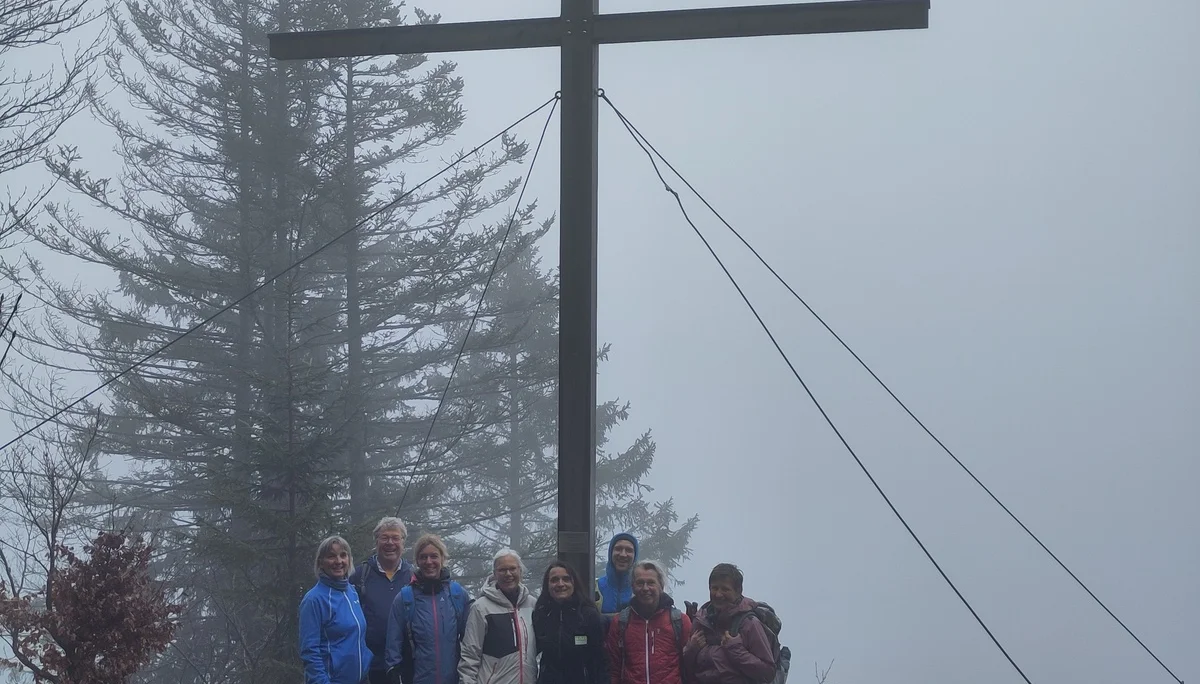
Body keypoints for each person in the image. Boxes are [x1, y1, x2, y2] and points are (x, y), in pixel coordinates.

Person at [384, 533, 471, 684]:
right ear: (417, 560)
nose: (428, 561)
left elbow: (471, 643)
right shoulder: (405, 598)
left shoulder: (457, 595)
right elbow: (393, 645)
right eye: (423, 557)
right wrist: (394, 674)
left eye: (434, 556)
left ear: (442, 559)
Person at [682, 563, 777, 684]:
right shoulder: (700, 621)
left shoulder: (749, 624)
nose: (718, 594)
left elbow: (767, 673)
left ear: (738, 591)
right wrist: (691, 650)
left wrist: (736, 649)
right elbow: (686, 671)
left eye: (725, 589)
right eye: (714, 588)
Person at [299, 535, 373, 684]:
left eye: (343, 555)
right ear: (321, 562)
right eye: (331, 556)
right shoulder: (314, 599)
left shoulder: (351, 591)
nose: (338, 561)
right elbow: (309, 652)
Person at [604, 559, 691, 684]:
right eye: (640, 583)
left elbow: (690, 666)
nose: (645, 588)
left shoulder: (679, 621)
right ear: (632, 587)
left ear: (661, 586)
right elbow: (614, 669)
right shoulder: (620, 622)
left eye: (651, 582)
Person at [351, 517, 416, 684]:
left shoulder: (414, 577)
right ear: (376, 541)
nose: (390, 543)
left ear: (403, 542)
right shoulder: (359, 576)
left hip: (405, 667)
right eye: (384, 537)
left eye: (395, 538)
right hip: (368, 668)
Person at [458, 548, 537, 684]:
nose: (508, 574)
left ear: (520, 571)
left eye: (512, 568)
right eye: (502, 570)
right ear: (494, 574)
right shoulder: (481, 607)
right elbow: (470, 654)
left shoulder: (532, 604)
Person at [531, 561, 608, 684]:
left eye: (566, 579)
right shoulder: (541, 614)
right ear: (547, 585)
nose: (560, 584)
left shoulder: (588, 614)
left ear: (574, 583)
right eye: (554, 580)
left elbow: (599, 660)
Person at [594, 533, 638, 618]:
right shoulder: (595, 587)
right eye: (618, 549)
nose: (623, 554)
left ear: (635, 556)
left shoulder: (642, 589)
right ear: (610, 553)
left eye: (629, 550)